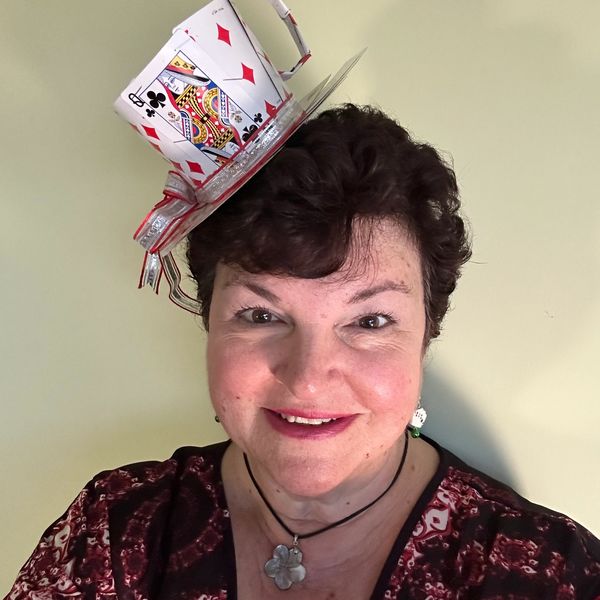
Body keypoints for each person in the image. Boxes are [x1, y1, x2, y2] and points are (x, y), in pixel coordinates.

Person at [5, 104, 600, 600]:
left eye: (369, 321)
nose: (308, 380)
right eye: (261, 315)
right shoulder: (114, 529)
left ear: (425, 336)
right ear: (208, 321)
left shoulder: (549, 574)